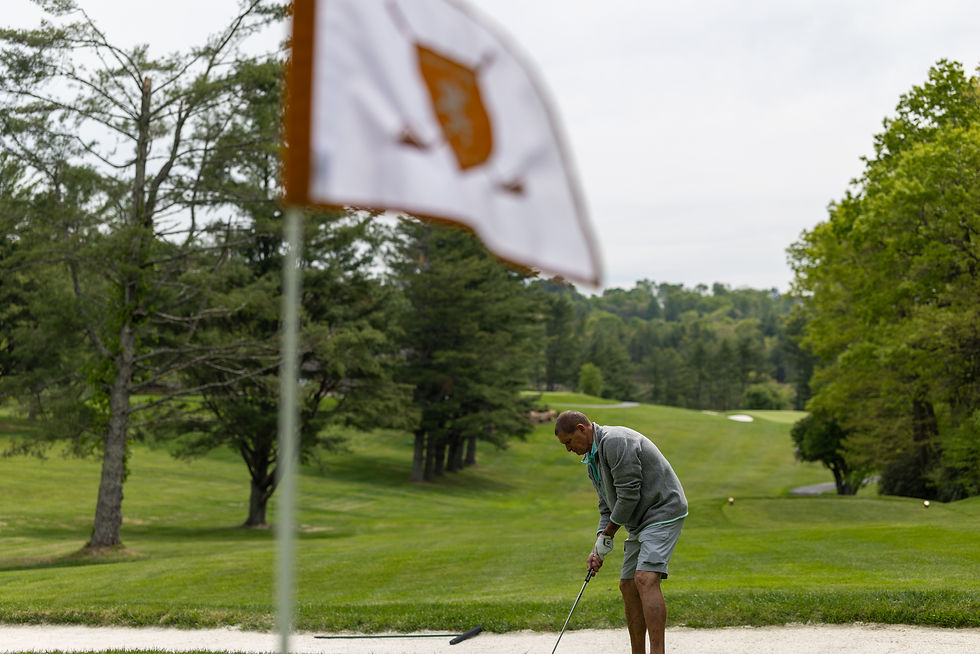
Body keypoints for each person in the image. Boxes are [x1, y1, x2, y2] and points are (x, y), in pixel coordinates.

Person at [554, 410, 688, 654]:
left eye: (569, 442)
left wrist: (609, 533)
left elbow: (628, 496)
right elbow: (607, 507)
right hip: (639, 521)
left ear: (582, 429)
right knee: (627, 584)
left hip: (662, 510)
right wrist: (598, 546)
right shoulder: (592, 462)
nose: (568, 449)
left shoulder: (616, 442)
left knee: (645, 578)